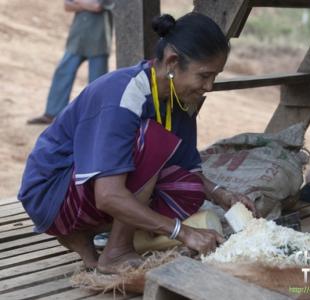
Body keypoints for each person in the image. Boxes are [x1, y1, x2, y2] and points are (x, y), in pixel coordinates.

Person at [18, 12, 258, 273]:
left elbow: (189, 169)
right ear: (172, 62)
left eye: (215, 76)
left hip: (87, 192)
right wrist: (183, 232)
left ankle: (87, 236)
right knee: (154, 142)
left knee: (189, 187)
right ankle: (116, 251)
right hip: (52, 192)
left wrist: (222, 194)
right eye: (204, 76)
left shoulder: (179, 100)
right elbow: (108, 196)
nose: (209, 86)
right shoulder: (123, 94)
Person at [27, 0, 114, 125]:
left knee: (98, 82)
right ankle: (53, 114)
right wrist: (86, 4)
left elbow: (97, 6)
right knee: (63, 72)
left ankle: (96, 118)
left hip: (99, 39)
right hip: (77, 38)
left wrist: (78, 2)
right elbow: (67, 6)